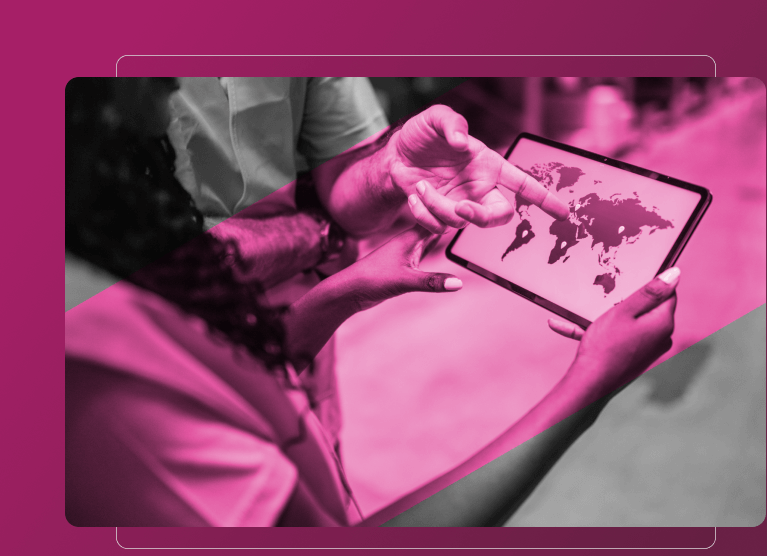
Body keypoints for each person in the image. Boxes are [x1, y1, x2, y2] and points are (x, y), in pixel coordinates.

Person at [65, 78, 678, 526]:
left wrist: (344, 290)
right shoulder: (104, 376)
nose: (178, 77)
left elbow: (238, 384)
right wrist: (588, 387)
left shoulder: (130, 286)